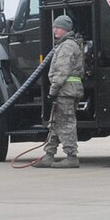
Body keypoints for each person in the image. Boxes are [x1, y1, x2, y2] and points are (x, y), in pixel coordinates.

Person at [36, 15, 86, 169]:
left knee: (66, 124)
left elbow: (62, 71)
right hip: (65, 91)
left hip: (66, 91)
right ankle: (49, 154)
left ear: (66, 29)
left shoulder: (67, 46)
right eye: (54, 27)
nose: (55, 30)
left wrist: (53, 91)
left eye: (58, 27)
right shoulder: (64, 45)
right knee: (55, 123)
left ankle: (71, 156)